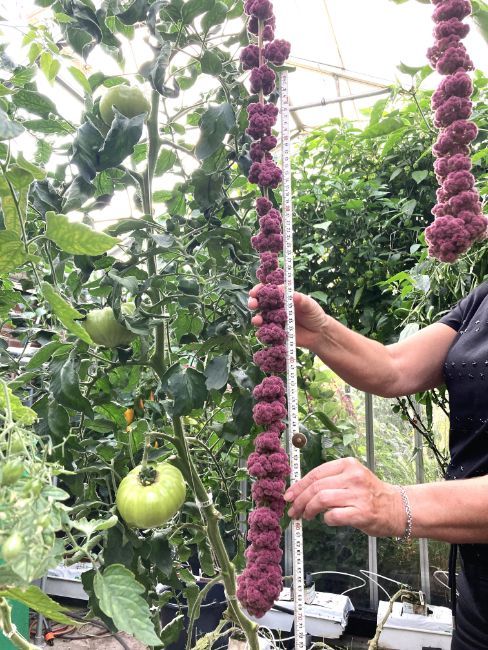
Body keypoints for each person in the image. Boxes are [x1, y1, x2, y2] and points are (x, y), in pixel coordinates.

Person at [248, 281, 488, 650]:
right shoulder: (483, 299)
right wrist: (322, 333)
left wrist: (395, 504)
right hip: (478, 604)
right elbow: (395, 367)